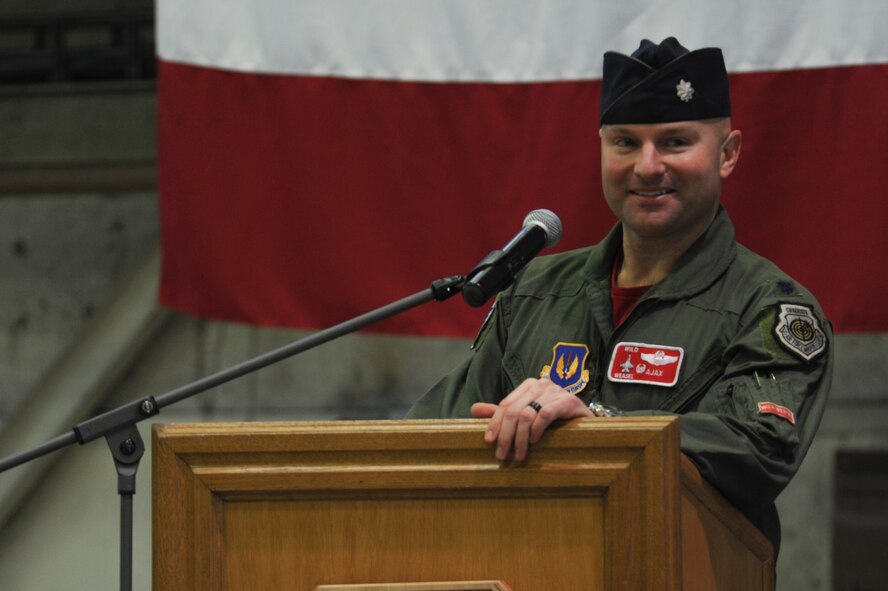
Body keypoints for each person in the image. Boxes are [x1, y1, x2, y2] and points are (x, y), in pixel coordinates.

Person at [407, 37, 832, 556]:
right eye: (625, 143)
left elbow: (758, 449)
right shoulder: (533, 291)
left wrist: (602, 429)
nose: (647, 166)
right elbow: (430, 435)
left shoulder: (769, 309)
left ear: (728, 154)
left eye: (675, 142)